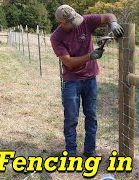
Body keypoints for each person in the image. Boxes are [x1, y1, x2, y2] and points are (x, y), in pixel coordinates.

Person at [50, 4, 124, 157]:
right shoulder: (56, 37)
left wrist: (113, 23)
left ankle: (90, 152)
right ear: (61, 23)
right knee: (71, 118)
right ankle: (71, 153)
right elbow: (68, 62)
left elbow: (108, 15)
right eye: (71, 22)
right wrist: (90, 56)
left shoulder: (85, 21)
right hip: (72, 81)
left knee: (91, 115)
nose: (76, 24)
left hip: (90, 79)